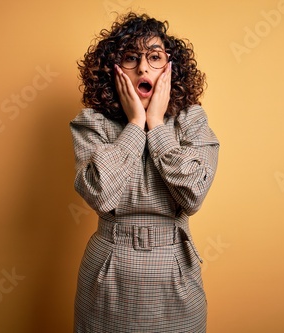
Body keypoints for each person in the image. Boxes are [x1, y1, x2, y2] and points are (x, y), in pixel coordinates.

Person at [70, 12, 219, 333]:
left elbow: (193, 195)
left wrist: (158, 125)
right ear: (112, 69)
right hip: (109, 274)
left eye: (154, 57)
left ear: (170, 69)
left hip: (175, 273)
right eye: (130, 58)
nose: (142, 68)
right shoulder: (92, 122)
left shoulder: (192, 121)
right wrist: (136, 124)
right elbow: (99, 193)